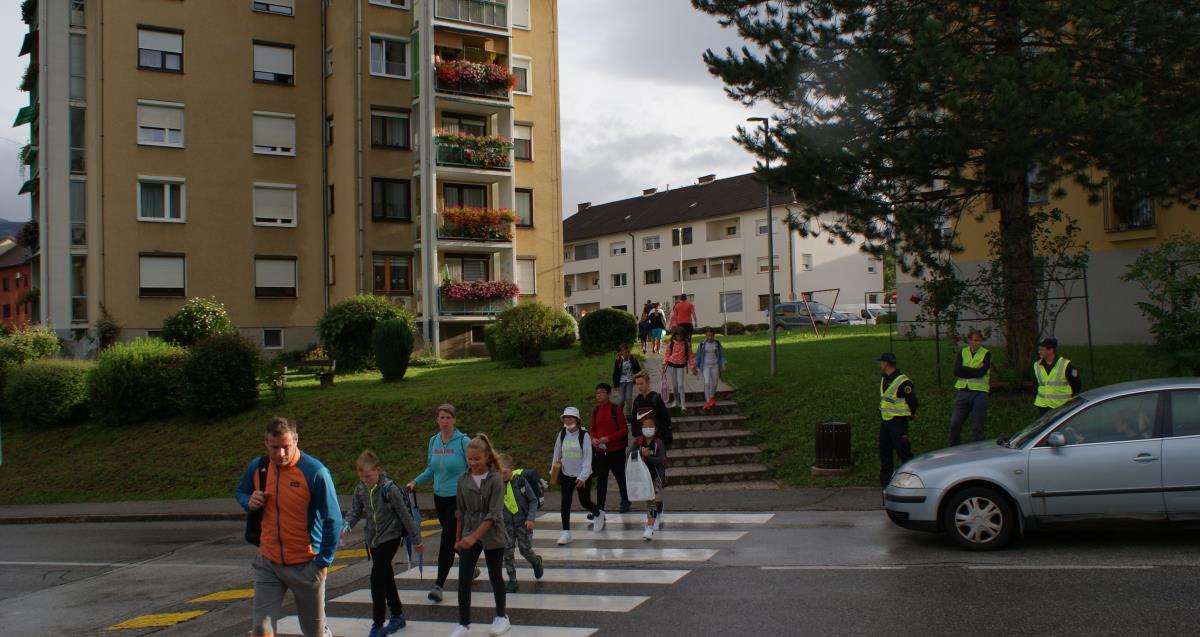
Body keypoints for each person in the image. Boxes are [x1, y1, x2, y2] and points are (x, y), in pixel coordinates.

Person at [236, 417, 341, 637]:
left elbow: (333, 519)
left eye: (286, 447)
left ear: (296, 439)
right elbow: (241, 492)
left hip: (305, 565)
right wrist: (249, 501)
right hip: (269, 563)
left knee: (314, 633)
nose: (281, 454)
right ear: (266, 442)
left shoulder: (315, 472)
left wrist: (323, 562)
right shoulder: (259, 467)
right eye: (275, 448)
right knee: (260, 631)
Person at [342, 450, 423, 637]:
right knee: (385, 576)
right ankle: (398, 614)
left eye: (368, 476)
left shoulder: (390, 489)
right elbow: (355, 511)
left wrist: (416, 539)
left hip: (390, 537)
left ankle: (378, 625)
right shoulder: (360, 488)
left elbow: (405, 515)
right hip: (373, 539)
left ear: (378, 470)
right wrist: (347, 525)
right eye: (362, 477)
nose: (365, 480)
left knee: (376, 577)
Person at [406, 404, 470, 603]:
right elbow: (431, 469)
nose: (444, 421)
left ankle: (438, 585)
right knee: (452, 540)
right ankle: (470, 563)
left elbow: (475, 467)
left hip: (458, 499)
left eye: (448, 417)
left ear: (454, 420)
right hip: (439, 498)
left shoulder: (463, 442)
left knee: (446, 541)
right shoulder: (433, 441)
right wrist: (415, 481)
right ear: (437, 420)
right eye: (441, 417)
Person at [451, 434, 511, 637]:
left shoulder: (496, 479)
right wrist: (458, 539)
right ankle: (463, 624)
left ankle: (502, 617)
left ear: (486, 457)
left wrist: (473, 537)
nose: (473, 463)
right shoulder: (463, 479)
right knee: (464, 579)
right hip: (469, 531)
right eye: (469, 459)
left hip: (492, 533)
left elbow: (493, 514)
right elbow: (459, 511)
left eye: (477, 459)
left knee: (495, 576)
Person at [550, 406, 599, 545]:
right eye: (566, 417)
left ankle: (597, 513)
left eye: (570, 417)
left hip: (582, 475)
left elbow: (587, 458)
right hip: (566, 473)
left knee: (585, 502)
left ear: (577, 420)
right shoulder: (562, 434)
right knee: (565, 502)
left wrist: (583, 477)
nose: (568, 420)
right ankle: (566, 531)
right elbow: (557, 454)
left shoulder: (585, 436)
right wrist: (553, 473)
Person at [497, 454, 544, 593]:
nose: (502, 475)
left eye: (504, 472)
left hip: (523, 523)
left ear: (511, 469)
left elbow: (533, 500)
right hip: (506, 525)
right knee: (507, 552)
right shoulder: (497, 484)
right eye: (499, 472)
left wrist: (530, 519)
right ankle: (512, 580)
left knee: (525, 550)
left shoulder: (520, 482)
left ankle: (536, 562)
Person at [590, 383, 632, 520]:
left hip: (616, 451)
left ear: (608, 394)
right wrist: (594, 439)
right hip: (601, 452)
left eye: (602, 392)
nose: (599, 395)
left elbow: (624, 430)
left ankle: (625, 500)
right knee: (601, 481)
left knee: (620, 477)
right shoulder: (595, 411)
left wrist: (608, 439)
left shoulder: (616, 409)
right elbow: (592, 429)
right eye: (597, 393)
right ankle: (600, 509)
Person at [878, 353, 918, 488]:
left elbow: (913, 401)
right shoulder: (884, 379)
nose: (880, 365)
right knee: (884, 452)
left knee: (903, 451)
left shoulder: (903, 381)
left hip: (898, 423)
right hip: (885, 422)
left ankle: (913, 481)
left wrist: (911, 414)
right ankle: (885, 483)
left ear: (886, 364)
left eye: (881, 362)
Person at [948, 328, 991, 445]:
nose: (978, 343)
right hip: (963, 392)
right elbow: (957, 371)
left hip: (980, 394)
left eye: (979, 340)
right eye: (975, 340)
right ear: (969, 341)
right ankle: (953, 448)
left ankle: (978, 453)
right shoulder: (962, 352)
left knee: (977, 427)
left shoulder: (986, 353)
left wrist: (965, 370)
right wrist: (973, 370)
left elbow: (981, 372)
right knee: (955, 423)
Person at [633, 411, 667, 541]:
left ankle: (657, 513)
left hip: (656, 476)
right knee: (651, 501)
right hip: (643, 477)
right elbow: (630, 455)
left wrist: (647, 458)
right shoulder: (638, 441)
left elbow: (660, 460)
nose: (647, 428)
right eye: (645, 426)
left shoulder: (659, 443)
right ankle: (650, 526)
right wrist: (640, 454)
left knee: (656, 500)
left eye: (650, 426)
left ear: (655, 428)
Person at [1033, 337, 1081, 414]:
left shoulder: (1066, 364)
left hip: (1061, 405)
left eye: (1042, 349)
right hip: (1042, 406)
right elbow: (1036, 384)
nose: (1039, 352)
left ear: (1051, 350)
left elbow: (1076, 385)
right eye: (1039, 349)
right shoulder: (1036, 365)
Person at [630, 371, 673, 447]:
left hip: (656, 439)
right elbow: (634, 420)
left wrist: (657, 435)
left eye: (641, 383)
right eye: (637, 384)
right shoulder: (637, 400)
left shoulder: (656, 398)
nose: (639, 386)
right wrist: (637, 433)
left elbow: (665, 418)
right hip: (642, 439)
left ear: (648, 382)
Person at [663, 327, 696, 413]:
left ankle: (683, 405)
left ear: (683, 335)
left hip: (681, 366)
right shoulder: (671, 343)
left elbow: (690, 356)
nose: (679, 337)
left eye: (681, 335)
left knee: (680, 385)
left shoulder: (686, 344)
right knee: (674, 385)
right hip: (671, 365)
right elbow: (667, 354)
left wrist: (692, 367)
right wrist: (664, 363)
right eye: (677, 335)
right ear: (675, 335)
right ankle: (676, 400)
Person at [694, 327, 727, 411]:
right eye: (708, 336)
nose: (710, 338)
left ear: (714, 335)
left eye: (711, 336)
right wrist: (694, 367)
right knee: (707, 382)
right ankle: (707, 401)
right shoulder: (702, 344)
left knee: (715, 384)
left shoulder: (717, 344)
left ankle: (712, 397)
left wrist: (723, 365)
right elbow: (698, 356)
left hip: (715, 365)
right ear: (706, 335)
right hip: (705, 366)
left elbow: (722, 355)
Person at [611, 343, 643, 422]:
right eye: (623, 352)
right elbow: (615, 373)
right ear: (621, 352)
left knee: (628, 398)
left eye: (627, 352)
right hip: (621, 382)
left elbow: (638, 369)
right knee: (622, 399)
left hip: (629, 381)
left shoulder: (632, 359)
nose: (625, 354)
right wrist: (616, 385)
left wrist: (636, 376)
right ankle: (619, 413)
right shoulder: (618, 360)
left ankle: (628, 415)